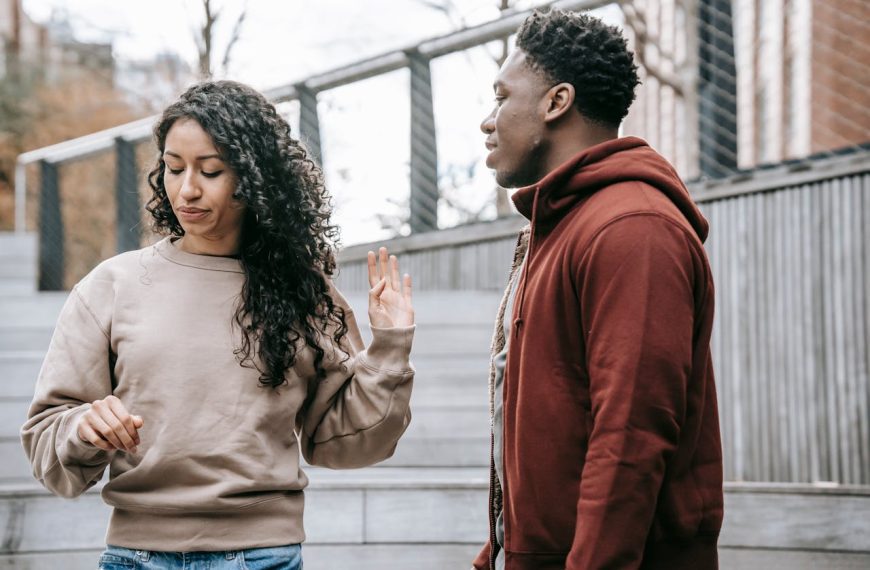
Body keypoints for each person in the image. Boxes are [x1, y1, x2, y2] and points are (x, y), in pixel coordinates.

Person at [21, 80, 416, 570]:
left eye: (211, 171)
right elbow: (46, 441)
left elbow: (348, 441)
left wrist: (390, 347)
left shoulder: (303, 295)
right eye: (172, 167)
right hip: (136, 556)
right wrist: (83, 428)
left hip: (263, 557)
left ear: (254, 179)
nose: (186, 189)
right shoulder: (112, 285)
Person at [472, 9, 723, 570]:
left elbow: (631, 433)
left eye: (501, 98)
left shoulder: (633, 228)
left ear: (556, 102)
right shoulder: (560, 227)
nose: (488, 121)